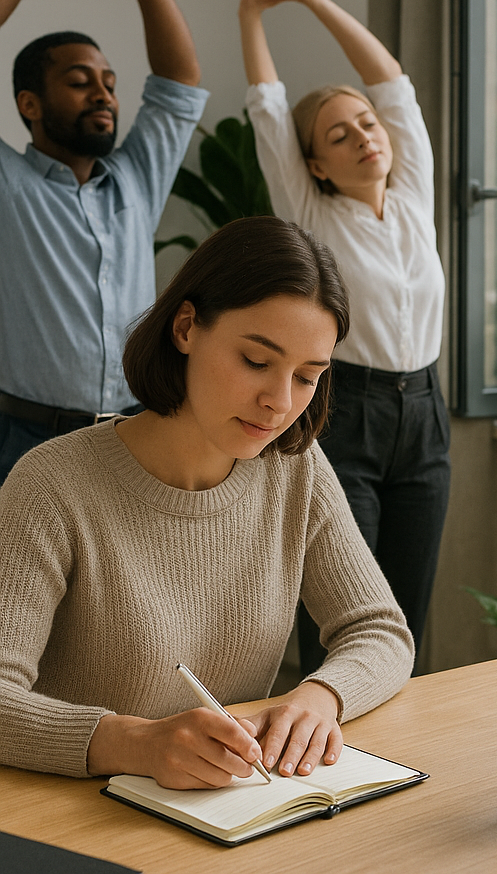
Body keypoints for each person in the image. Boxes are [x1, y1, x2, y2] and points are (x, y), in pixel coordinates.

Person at [0, 215, 414, 787]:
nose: (278, 401)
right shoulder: (51, 486)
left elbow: (380, 630)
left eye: (307, 376)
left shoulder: (295, 469)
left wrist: (320, 697)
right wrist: (132, 743)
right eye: (256, 362)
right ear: (186, 328)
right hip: (73, 811)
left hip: (229, 810)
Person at [238, 0, 449, 668]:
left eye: (366, 123)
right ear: (316, 166)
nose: (363, 136)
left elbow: (393, 86)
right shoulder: (311, 213)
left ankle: (406, 735)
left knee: (406, 615)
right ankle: (316, 727)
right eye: (339, 134)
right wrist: (253, 14)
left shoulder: (412, 196)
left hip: (424, 413)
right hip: (344, 412)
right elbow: (268, 110)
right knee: (337, 615)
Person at [0, 0, 208, 484]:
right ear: (29, 104)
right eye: (79, 81)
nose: (103, 95)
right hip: (24, 440)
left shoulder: (136, 179)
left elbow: (180, 81)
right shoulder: (9, 183)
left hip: (135, 435)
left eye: (110, 83)